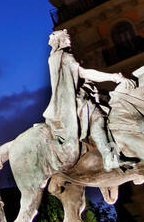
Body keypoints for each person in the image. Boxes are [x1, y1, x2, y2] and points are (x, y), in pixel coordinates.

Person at [42, 29, 131, 172]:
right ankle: (109, 157)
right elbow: (83, 73)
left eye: (69, 38)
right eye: (66, 38)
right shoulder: (64, 56)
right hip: (74, 101)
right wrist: (114, 77)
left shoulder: (55, 58)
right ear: (59, 41)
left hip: (68, 101)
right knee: (98, 117)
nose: (69, 40)